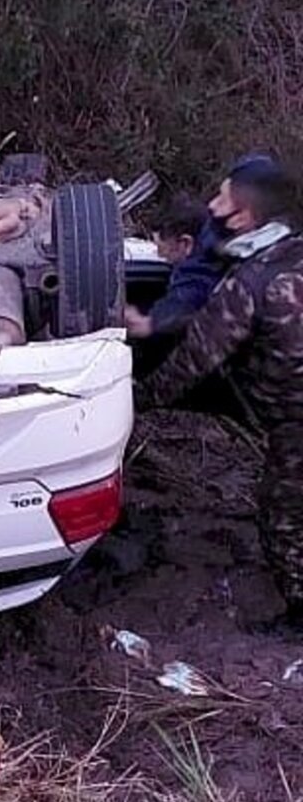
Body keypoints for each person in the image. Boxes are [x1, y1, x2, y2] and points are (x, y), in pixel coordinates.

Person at [136, 153, 303, 633]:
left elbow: (192, 363)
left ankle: (297, 615)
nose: (212, 204)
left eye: (222, 198)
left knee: (284, 517)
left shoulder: (247, 285)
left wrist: (138, 401)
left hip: (295, 424)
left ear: (245, 218)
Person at [125, 192, 225, 341]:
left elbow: (177, 305)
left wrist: (135, 319)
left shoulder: (199, 276)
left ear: (185, 243)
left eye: (161, 247)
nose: (159, 254)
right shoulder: (214, 234)